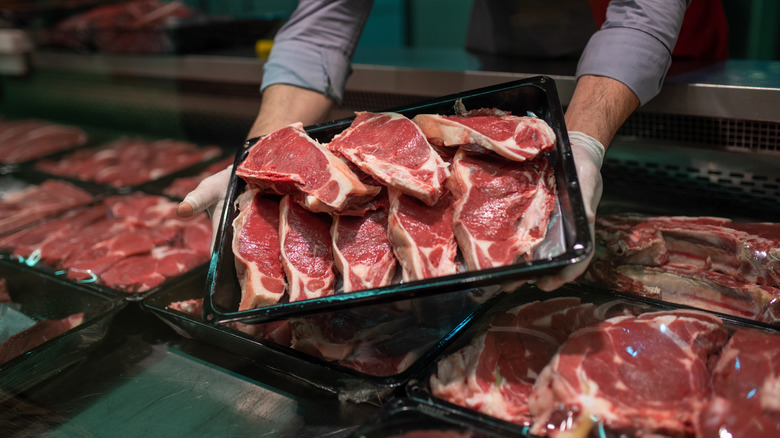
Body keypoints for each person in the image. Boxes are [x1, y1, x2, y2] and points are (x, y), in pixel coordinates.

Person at [176, 0, 728, 291]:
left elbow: (641, 13)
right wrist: (263, 156)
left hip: (657, 79)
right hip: (515, 43)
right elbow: (324, 24)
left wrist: (582, 142)